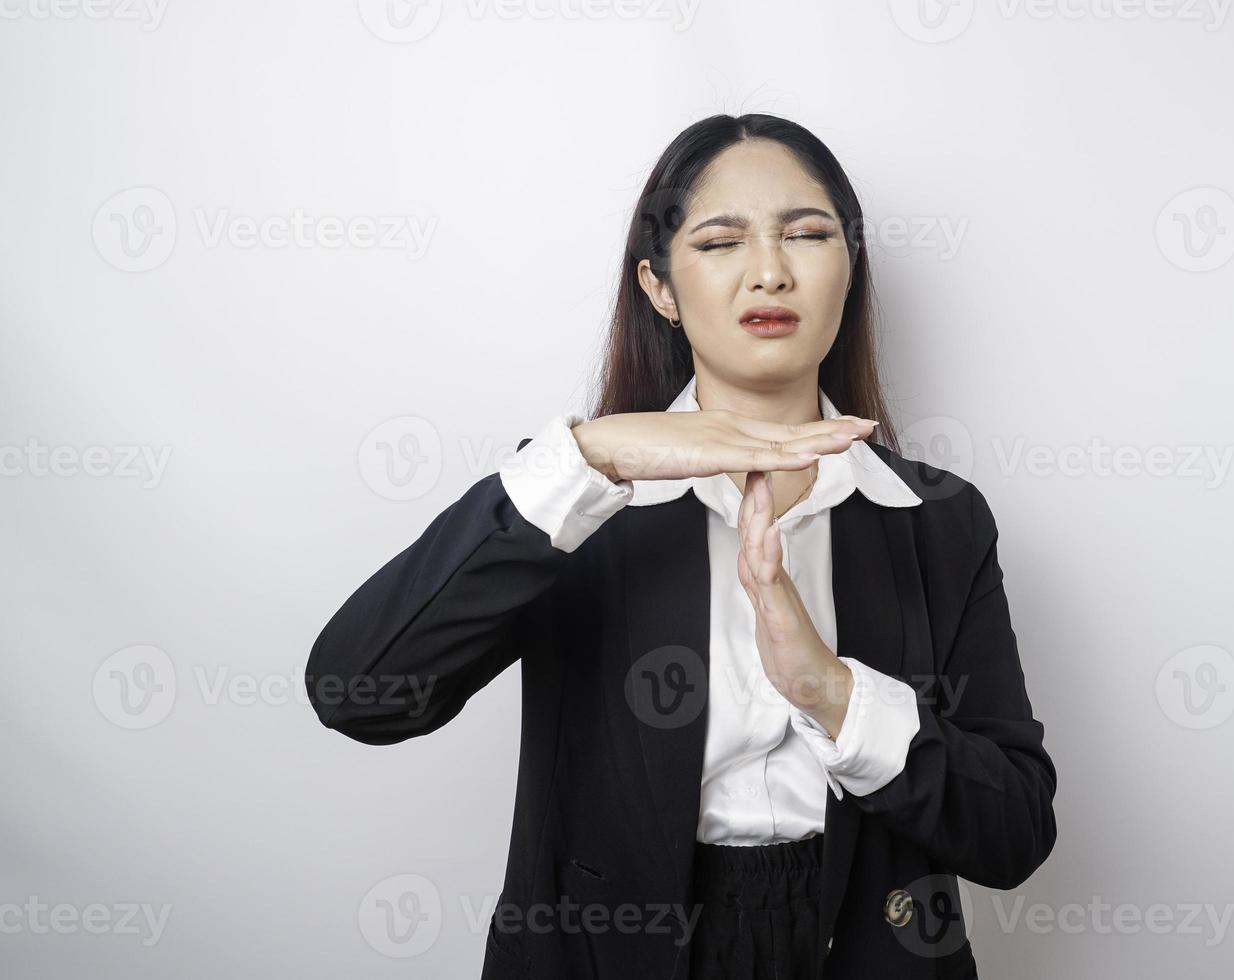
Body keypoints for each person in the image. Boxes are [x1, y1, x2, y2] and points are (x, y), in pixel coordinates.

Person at [305, 112, 1058, 980]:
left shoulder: (936, 517)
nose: (769, 271)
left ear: (849, 271)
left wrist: (829, 689)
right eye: (720, 242)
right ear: (660, 288)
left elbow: (1013, 835)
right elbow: (359, 693)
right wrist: (592, 456)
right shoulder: (576, 501)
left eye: (808, 234)